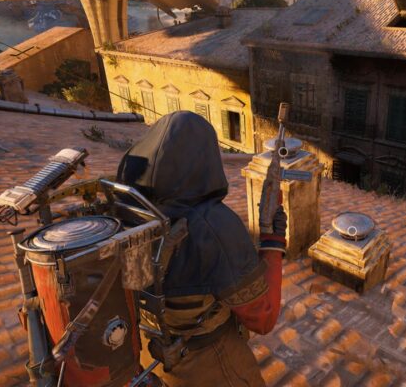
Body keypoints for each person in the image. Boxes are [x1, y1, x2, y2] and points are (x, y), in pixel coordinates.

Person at [117, 111, 286, 386]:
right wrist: (273, 242)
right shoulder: (215, 225)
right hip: (210, 362)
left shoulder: (127, 209)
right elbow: (263, 318)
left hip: (152, 353)